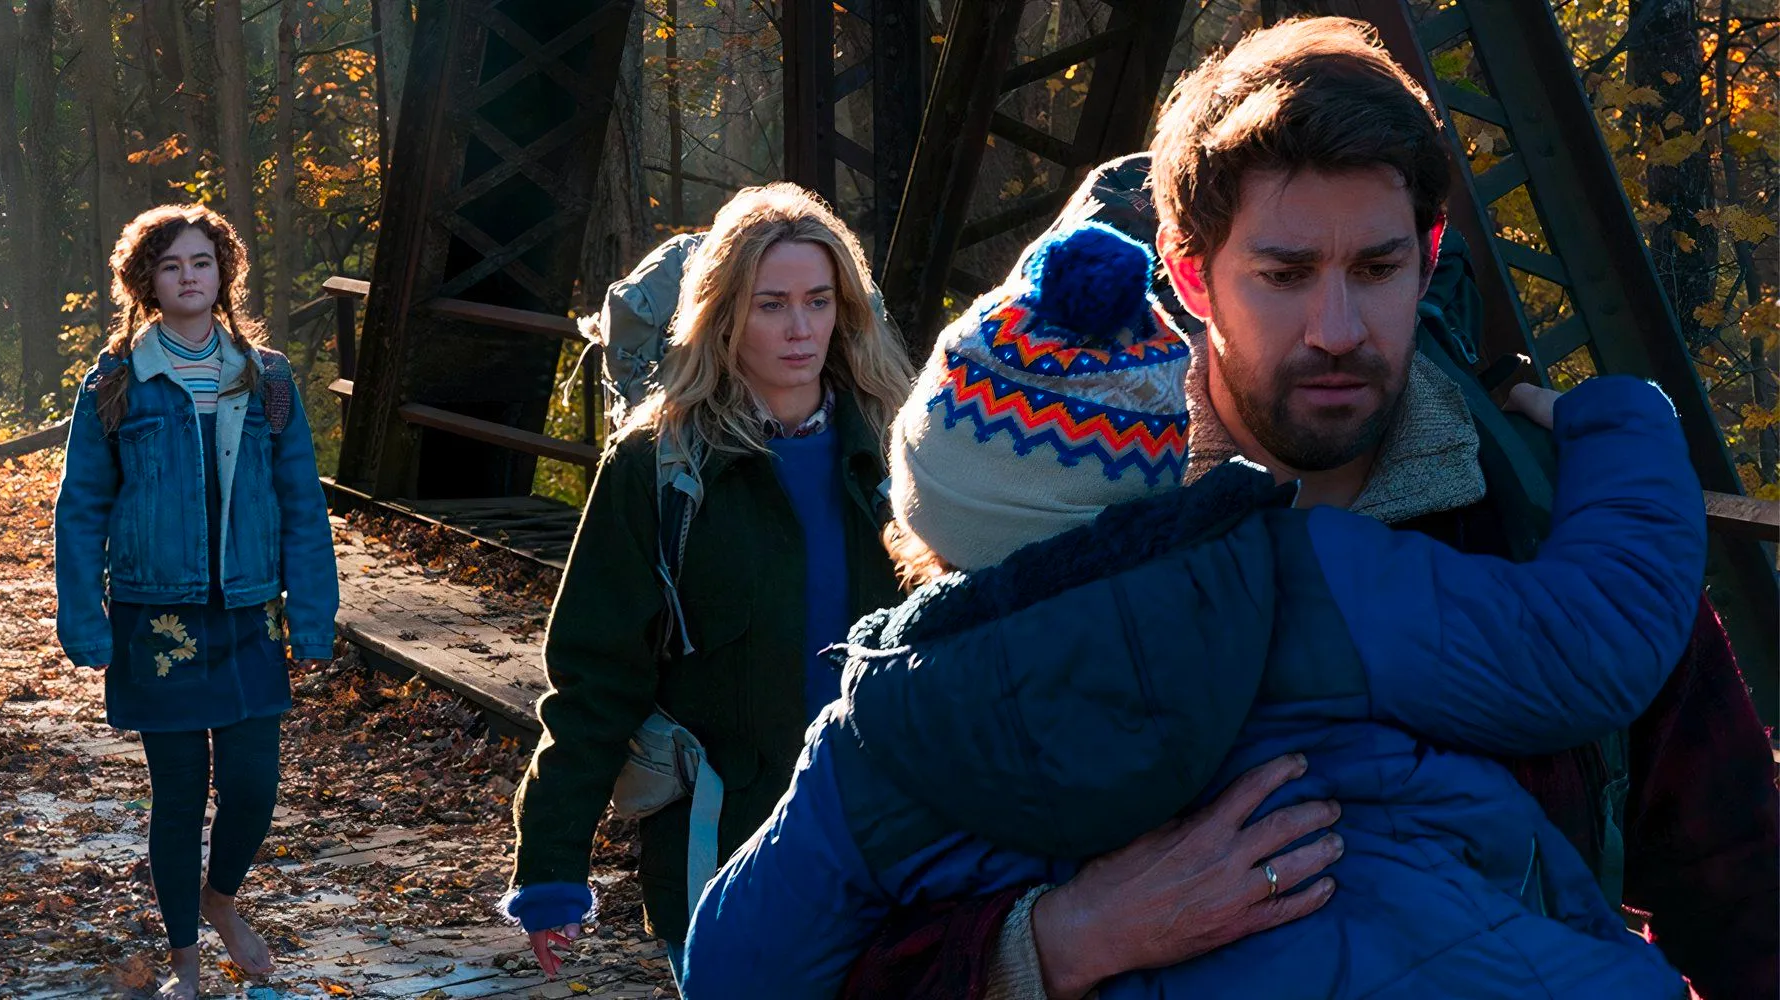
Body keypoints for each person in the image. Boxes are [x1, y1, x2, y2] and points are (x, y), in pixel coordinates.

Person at [841, 18, 1780, 1000]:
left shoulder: (1551, 528)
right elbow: (831, 943)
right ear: (1190, 272)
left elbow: (1744, 913)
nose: (1335, 330)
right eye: (1285, 275)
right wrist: (1067, 937)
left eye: (1374, 271)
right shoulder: (1038, 525)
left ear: (1427, 258)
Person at [680, 203, 1708, 997]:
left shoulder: (873, 736)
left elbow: (731, 972)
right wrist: (1625, 421)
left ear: (921, 506)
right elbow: (1592, 639)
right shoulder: (1301, 572)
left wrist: (1038, 943)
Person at [504, 182, 916, 981]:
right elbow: (595, 677)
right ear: (722, 314)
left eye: (818, 301)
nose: (800, 329)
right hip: (722, 857)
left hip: (887, 851)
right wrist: (552, 866)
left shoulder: (906, 452)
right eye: (770, 305)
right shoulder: (659, 466)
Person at [53, 204, 339, 999]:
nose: (189, 276)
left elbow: (300, 505)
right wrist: (84, 617)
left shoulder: (268, 377)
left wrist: (312, 613)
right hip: (157, 619)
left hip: (247, 610)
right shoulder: (115, 382)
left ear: (224, 275)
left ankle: (221, 901)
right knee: (177, 794)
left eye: (203, 262)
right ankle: (184, 964)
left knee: (253, 785)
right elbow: (80, 508)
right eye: (173, 265)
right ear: (146, 281)